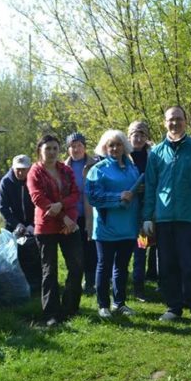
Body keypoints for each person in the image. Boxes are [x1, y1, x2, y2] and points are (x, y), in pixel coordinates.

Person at [142, 106, 191, 324]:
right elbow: (151, 185)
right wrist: (147, 216)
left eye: (179, 119)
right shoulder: (156, 152)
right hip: (164, 218)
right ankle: (173, 306)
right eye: (171, 120)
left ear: (186, 122)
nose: (175, 123)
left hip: (189, 217)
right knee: (167, 265)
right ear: (164, 123)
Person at [28, 135, 84, 326]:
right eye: (47, 149)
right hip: (46, 228)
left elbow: (75, 194)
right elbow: (39, 199)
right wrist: (63, 215)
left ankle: (70, 308)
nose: (51, 152)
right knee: (49, 270)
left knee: (77, 265)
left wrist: (65, 211)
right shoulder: (35, 172)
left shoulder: (65, 170)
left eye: (54, 148)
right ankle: (51, 313)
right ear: (40, 151)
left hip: (69, 225)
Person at [85, 130, 142, 318]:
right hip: (106, 228)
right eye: (111, 145)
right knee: (104, 266)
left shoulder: (132, 169)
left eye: (118, 144)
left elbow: (136, 195)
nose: (115, 148)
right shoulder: (98, 169)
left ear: (124, 146)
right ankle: (103, 305)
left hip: (128, 227)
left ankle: (120, 303)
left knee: (122, 267)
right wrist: (118, 197)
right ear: (104, 148)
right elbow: (94, 197)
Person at [0, 154, 40, 287]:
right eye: (18, 169)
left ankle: (37, 282)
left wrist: (33, 225)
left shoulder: (35, 180)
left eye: (24, 169)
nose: (21, 172)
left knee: (37, 252)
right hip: (13, 223)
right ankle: (17, 283)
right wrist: (17, 224)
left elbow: (40, 204)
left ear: (30, 168)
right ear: (13, 168)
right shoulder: (6, 182)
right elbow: (3, 207)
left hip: (34, 222)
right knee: (14, 254)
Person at [64, 132, 98, 294]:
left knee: (90, 249)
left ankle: (90, 281)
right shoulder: (63, 167)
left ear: (84, 147)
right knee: (75, 250)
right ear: (68, 149)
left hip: (91, 215)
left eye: (79, 146)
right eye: (72, 146)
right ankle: (76, 280)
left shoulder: (95, 164)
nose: (76, 149)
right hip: (71, 216)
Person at [127, 120, 154, 301]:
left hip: (144, 211)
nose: (138, 138)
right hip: (125, 211)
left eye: (142, 134)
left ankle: (138, 286)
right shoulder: (122, 154)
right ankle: (119, 284)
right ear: (129, 136)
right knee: (122, 249)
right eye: (135, 134)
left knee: (141, 248)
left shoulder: (152, 155)